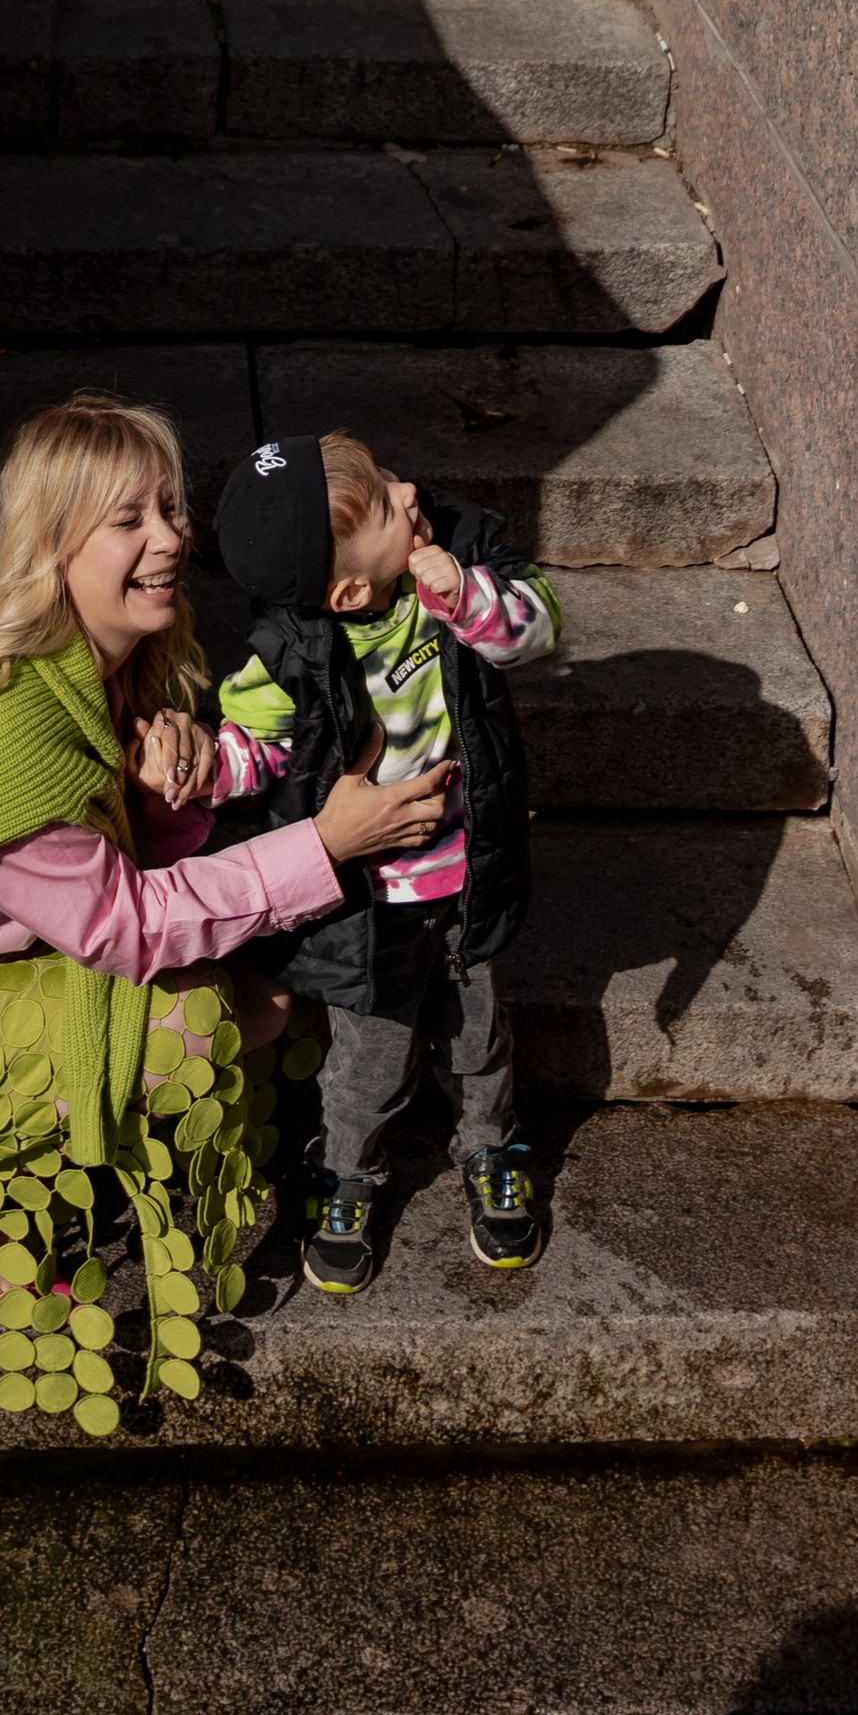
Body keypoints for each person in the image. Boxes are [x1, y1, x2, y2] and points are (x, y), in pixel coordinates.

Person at [0, 394, 444, 1429]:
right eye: (128, 520)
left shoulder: (94, 670)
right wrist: (329, 843)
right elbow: (131, 926)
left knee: (254, 975)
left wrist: (164, 796)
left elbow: (106, 871)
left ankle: (12, 1168)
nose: (169, 537)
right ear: (48, 546)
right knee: (211, 1018)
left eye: (169, 506)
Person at [210, 428, 560, 1296]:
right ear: (348, 587)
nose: (410, 495)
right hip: (369, 897)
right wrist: (202, 768)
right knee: (366, 1060)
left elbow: (538, 631)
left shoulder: (455, 553)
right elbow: (254, 746)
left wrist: (469, 599)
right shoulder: (287, 653)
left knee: (479, 1037)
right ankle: (348, 1173)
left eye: (390, 478)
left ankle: (490, 1147)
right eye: (382, 503)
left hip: (466, 866)